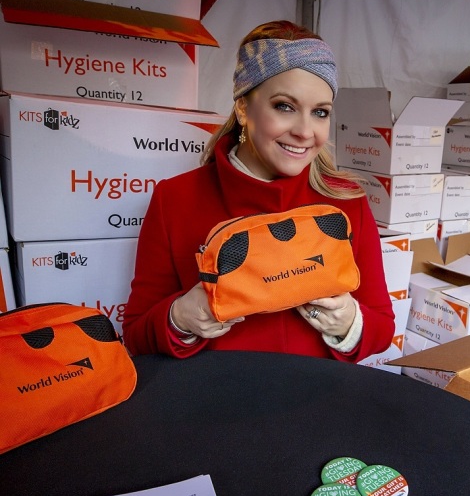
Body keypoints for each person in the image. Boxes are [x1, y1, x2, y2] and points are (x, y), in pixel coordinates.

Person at [122, 20, 395, 362]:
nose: (305, 131)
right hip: (212, 406)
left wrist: (349, 322)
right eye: (284, 106)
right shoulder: (174, 200)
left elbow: (382, 328)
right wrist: (179, 317)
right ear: (242, 108)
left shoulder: (347, 201)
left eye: (320, 112)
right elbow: (135, 335)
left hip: (316, 405)